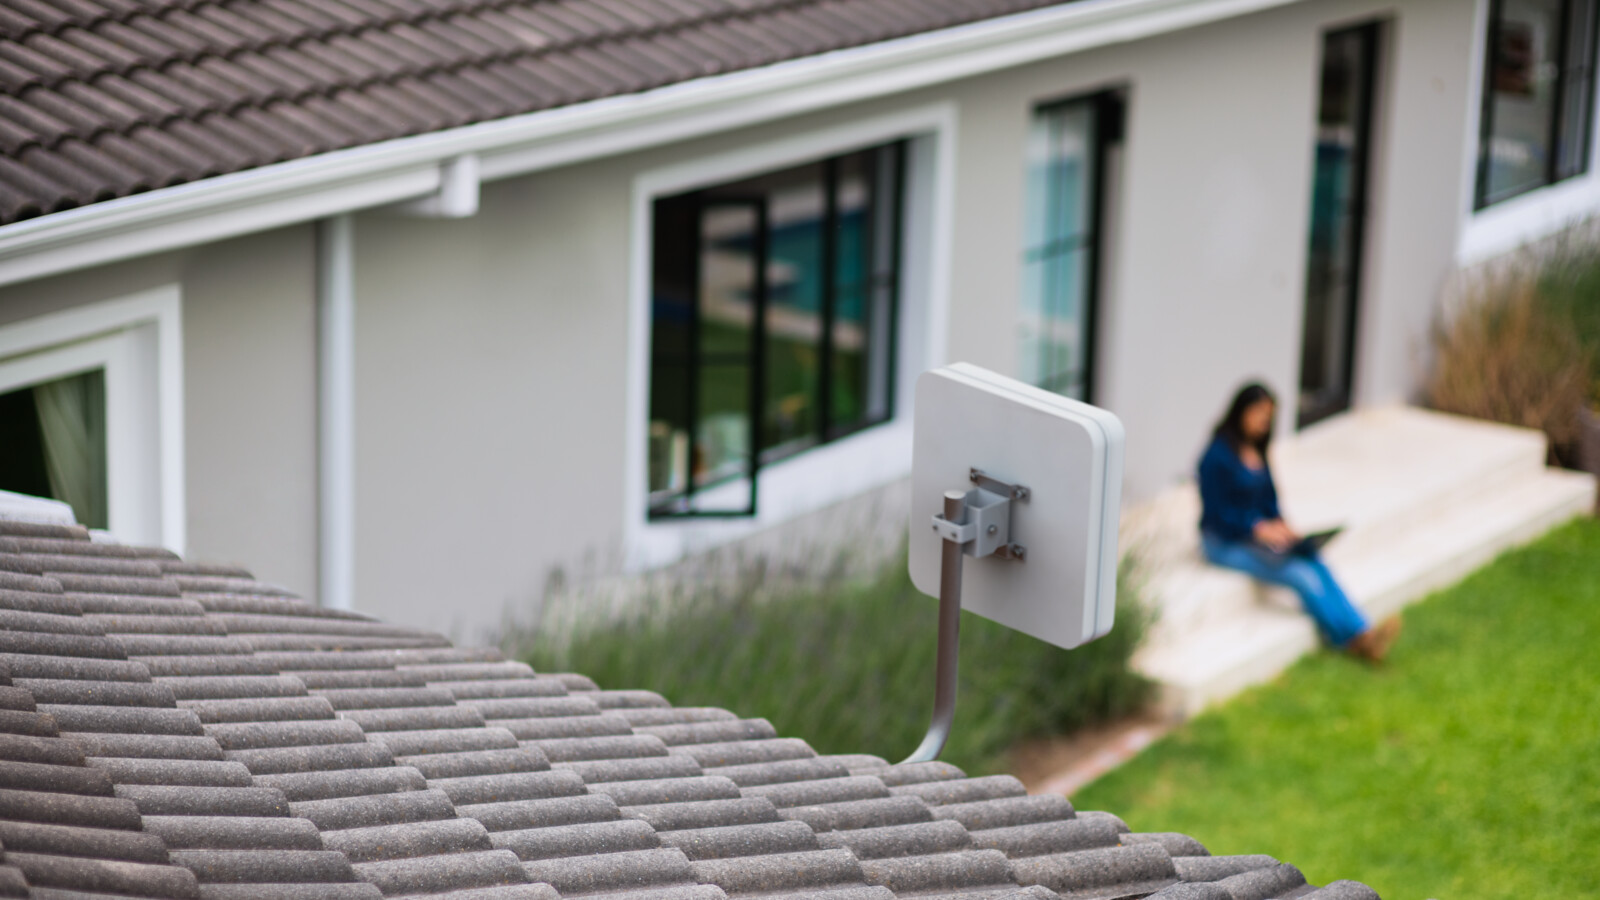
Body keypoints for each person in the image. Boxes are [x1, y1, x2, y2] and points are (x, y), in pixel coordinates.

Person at [1197, 383, 1401, 662]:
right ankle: (1349, 640)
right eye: (1258, 414)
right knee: (1299, 575)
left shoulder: (1258, 451)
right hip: (1224, 542)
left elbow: (1269, 501)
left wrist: (1281, 526)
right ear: (1241, 411)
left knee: (1315, 560)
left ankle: (1364, 629)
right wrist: (1257, 529)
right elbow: (1217, 515)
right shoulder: (1216, 457)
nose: (1263, 422)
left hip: (1259, 538)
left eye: (1268, 417)